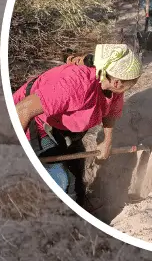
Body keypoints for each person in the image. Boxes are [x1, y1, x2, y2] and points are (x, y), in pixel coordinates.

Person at [12, 44, 143, 196]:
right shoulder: (76, 84)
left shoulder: (114, 86)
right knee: (62, 180)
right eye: (133, 82)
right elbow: (23, 109)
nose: (133, 85)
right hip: (35, 122)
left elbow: (111, 112)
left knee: (77, 174)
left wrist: (107, 141)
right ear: (116, 82)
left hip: (63, 126)